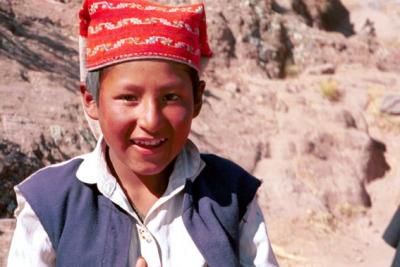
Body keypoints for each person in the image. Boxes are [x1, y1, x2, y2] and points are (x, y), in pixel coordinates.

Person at [7, 0, 279, 266]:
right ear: (91, 99)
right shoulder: (48, 202)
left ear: (197, 99)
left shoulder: (232, 197)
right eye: (128, 97)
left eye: (171, 97)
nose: (151, 120)